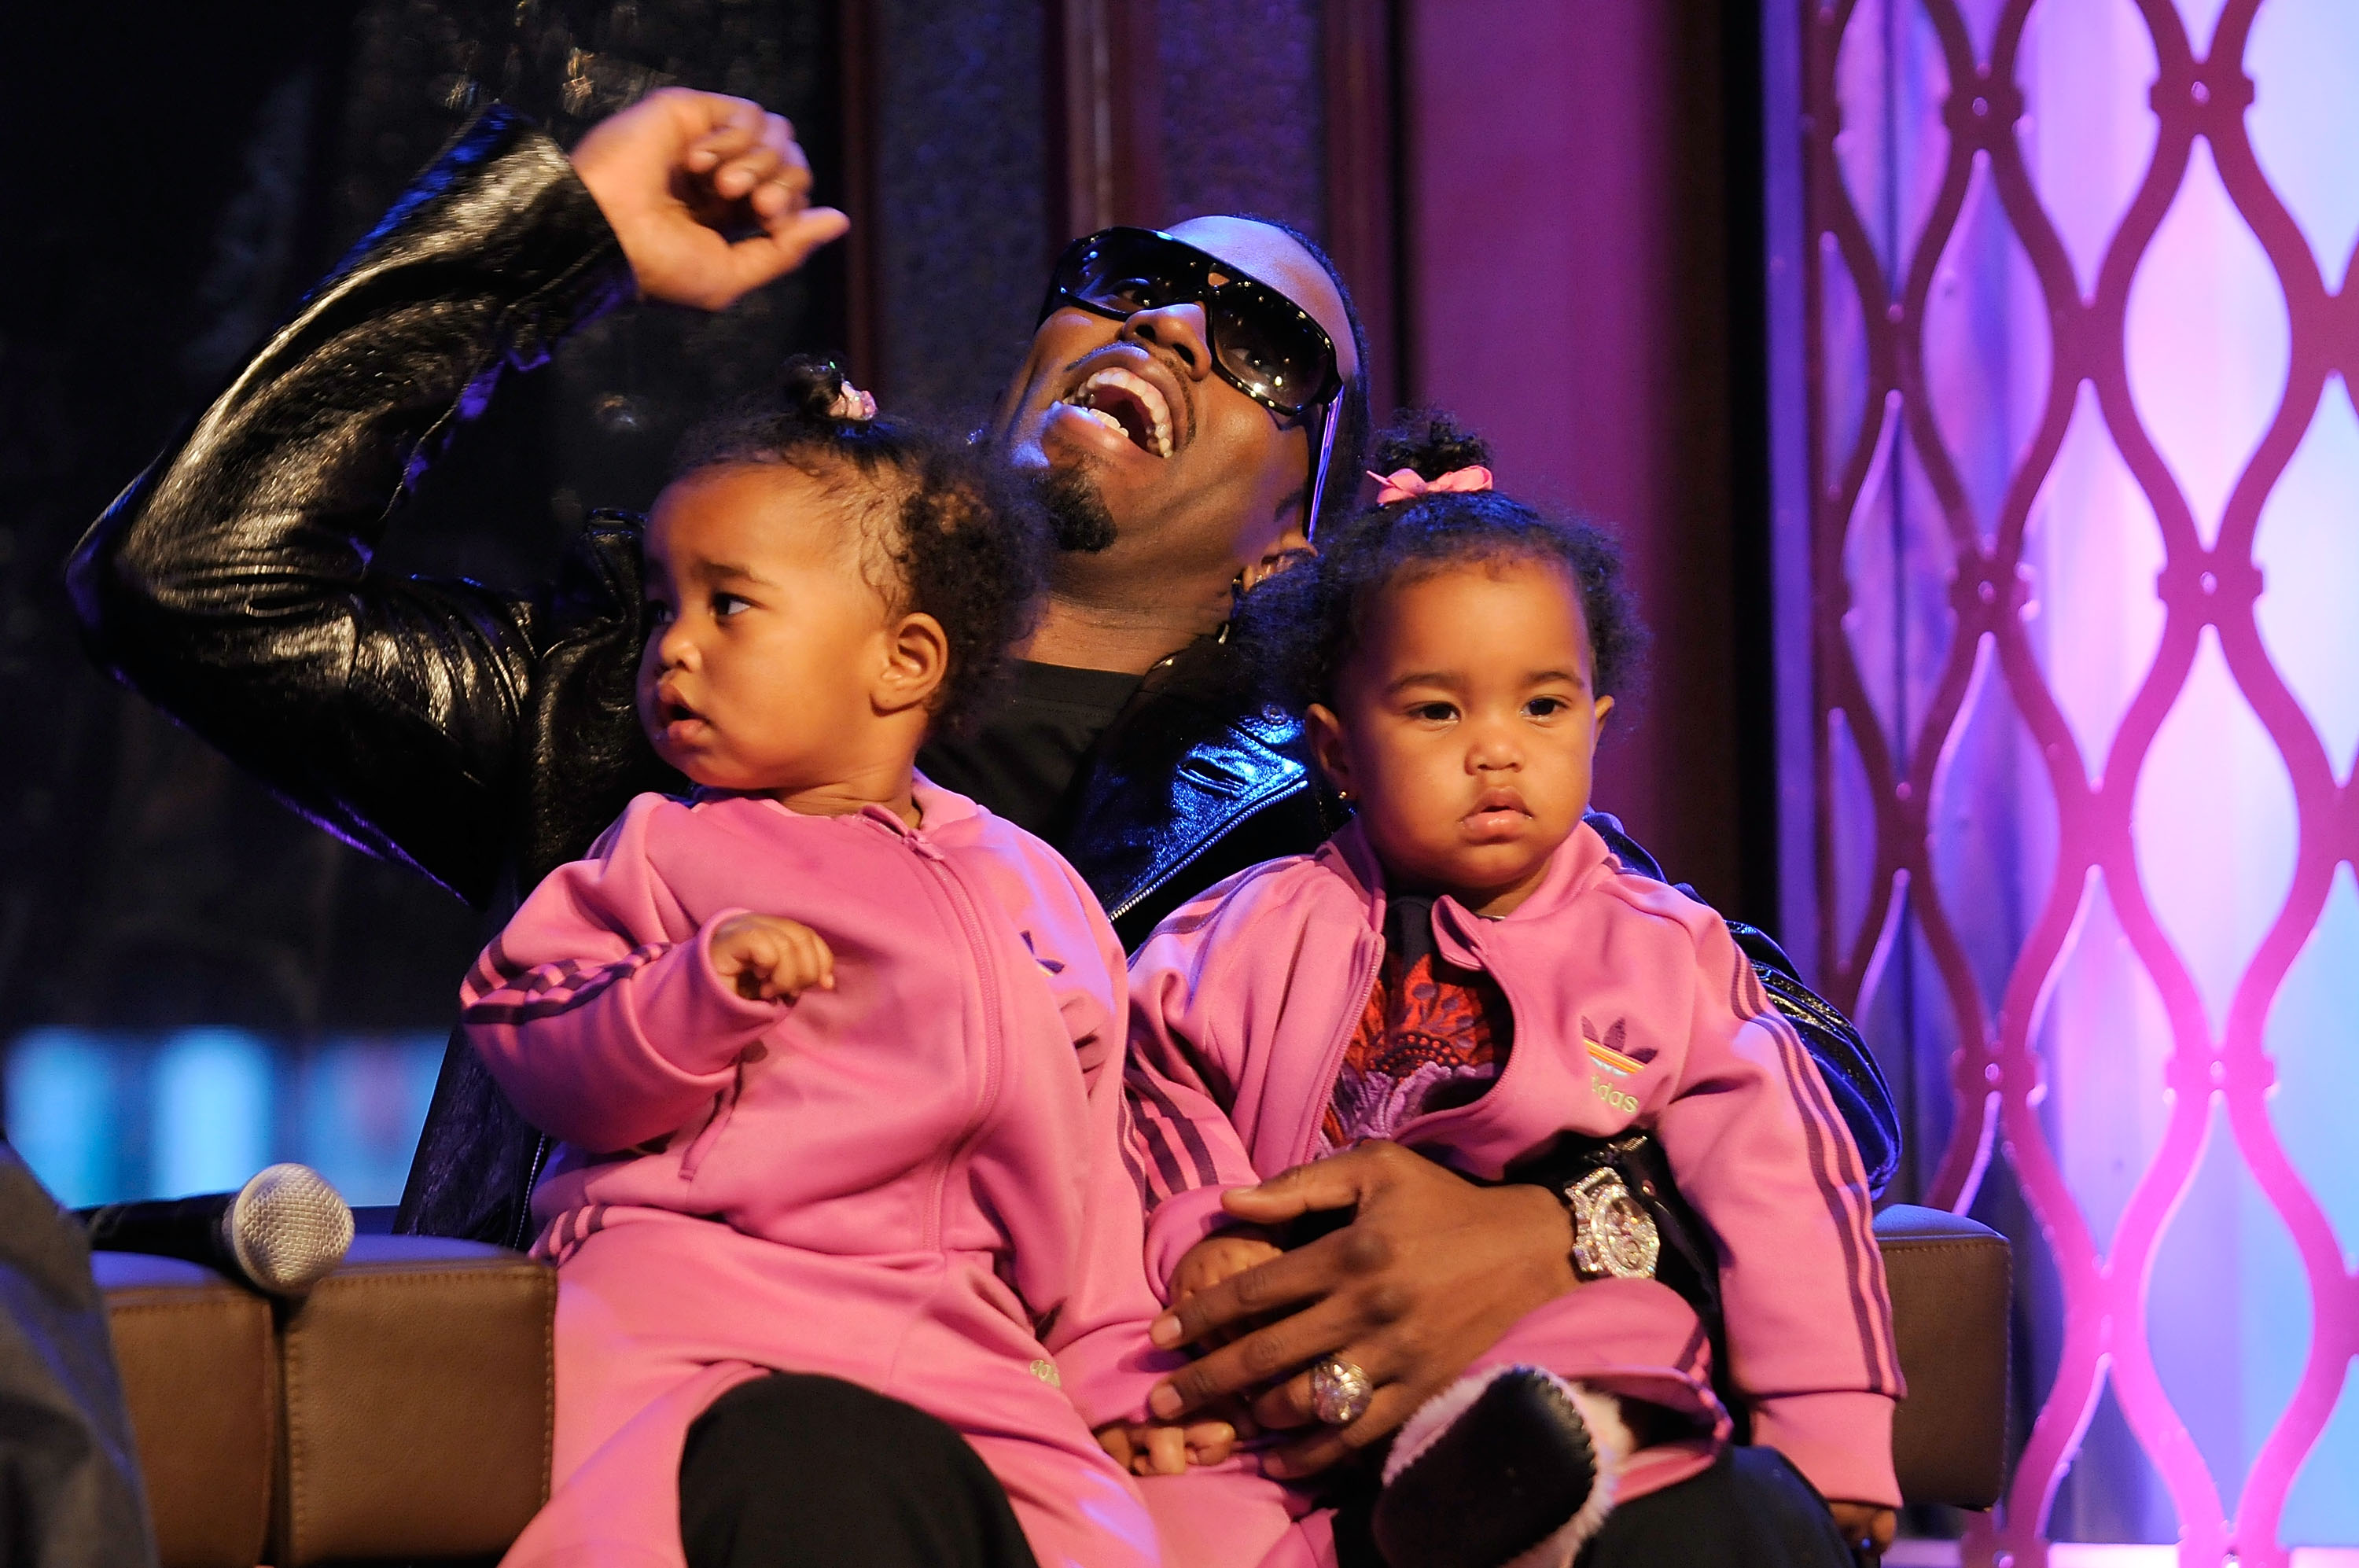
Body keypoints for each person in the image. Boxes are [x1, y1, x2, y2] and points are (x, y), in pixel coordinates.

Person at [69, 87, 1897, 1564]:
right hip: (733, 1410)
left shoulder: (1349, 783)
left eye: (1254, 339)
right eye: (1122, 272)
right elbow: (188, 580)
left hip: (1140, 1454)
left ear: (1294, 536)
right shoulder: (647, 700)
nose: (1164, 320)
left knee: (1731, 1516)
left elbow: (1802, 1070)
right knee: (805, 1464)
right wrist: (549, 239)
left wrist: (1565, 1231)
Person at [1108, 421, 1901, 1568]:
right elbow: (1149, 1084)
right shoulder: (1238, 929)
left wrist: (1831, 1426)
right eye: (1438, 711)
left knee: (1619, 1347)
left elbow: (1790, 1176)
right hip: (1290, 1354)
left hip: (1544, 1350)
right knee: (1175, 1493)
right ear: (1336, 749)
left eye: (1541, 708)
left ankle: (1495, 1484)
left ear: (1597, 721)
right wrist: (1198, 1227)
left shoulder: (1666, 947)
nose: (1497, 753)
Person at [455, 360, 1165, 1566]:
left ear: (903, 661)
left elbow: (1092, 1188)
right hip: (692, 1308)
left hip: (967, 1341)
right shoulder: (663, 847)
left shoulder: (1038, 891)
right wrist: (688, 997)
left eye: (728, 605)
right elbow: (530, 1030)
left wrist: (1118, 1374)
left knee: (1119, 1544)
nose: (673, 648)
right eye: (664, 608)